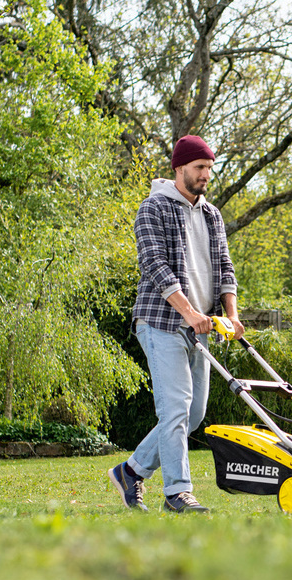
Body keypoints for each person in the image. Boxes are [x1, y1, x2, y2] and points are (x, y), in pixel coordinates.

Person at [109, 135, 244, 513]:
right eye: (200, 168)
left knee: (193, 413)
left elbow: (225, 268)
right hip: (161, 322)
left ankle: (131, 471)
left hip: (201, 328)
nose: (206, 175)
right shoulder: (153, 208)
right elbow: (154, 265)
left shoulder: (212, 214)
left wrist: (230, 315)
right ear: (179, 167)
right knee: (175, 409)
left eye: (209, 169)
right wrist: (189, 313)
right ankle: (177, 493)